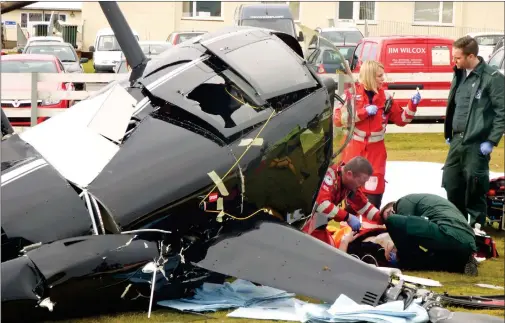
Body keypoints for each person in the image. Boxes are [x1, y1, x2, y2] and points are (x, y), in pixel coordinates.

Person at [335, 60, 421, 212]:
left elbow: (402, 119)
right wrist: (363, 113)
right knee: (349, 200)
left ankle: (369, 232)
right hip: (354, 153)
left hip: (376, 154)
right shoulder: (351, 95)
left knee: (373, 198)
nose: (383, 79)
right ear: (369, 76)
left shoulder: (386, 98)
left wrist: (412, 105)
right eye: (380, 76)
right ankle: (348, 231)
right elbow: (338, 120)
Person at [442, 35, 505, 228]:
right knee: (451, 183)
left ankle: (477, 231)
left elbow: (501, 111)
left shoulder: (492, 78)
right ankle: (457, 226)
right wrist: (449, 133)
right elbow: (454, 104)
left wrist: (491, 140)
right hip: (457, 141)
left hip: (477, 143)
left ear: (471, 56)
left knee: (475, 187)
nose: (454, 61)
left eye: (457, 58)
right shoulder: (459, 74)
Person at [380, 193, 478, 276]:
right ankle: (461, 262)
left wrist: (396, 250)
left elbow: (405, 231)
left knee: (393, 221)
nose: (389, 217)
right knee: (428, 260)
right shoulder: (423, 202)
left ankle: (408, 263)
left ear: (392, 206)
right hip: (467, 241)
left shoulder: (403, 202)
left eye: (389, 212)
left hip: (449, 232)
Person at [301, 156, 382, 245]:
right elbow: (321, 205)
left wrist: (384, 218)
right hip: (300, 222)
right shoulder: (329, 176)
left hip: (317, 224)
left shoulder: (349, 184)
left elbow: (363, 206)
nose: (362, 186)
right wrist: (348, 217)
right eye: (361, 182)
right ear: (349, 174)